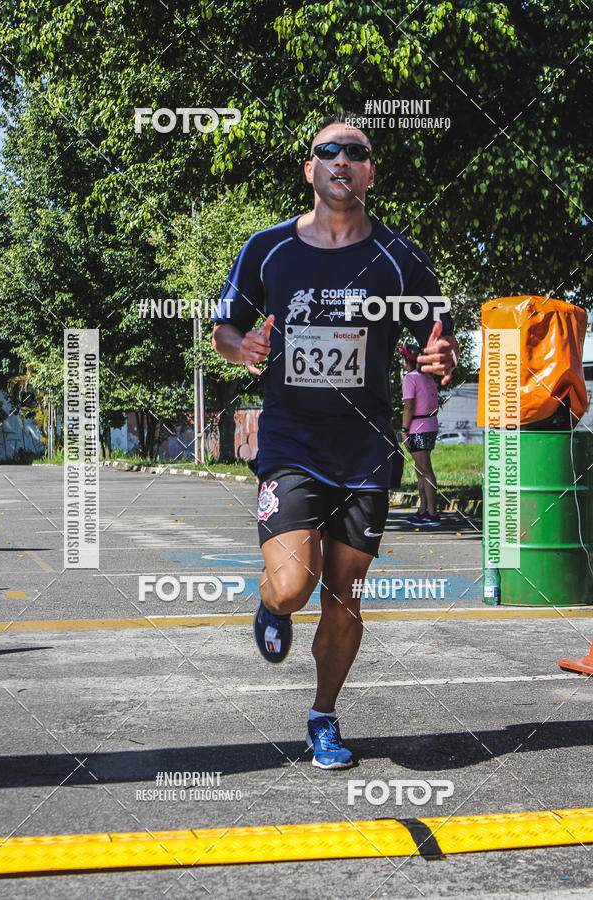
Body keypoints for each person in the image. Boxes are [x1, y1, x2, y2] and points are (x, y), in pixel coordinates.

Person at [212, 113, 458, 769]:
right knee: (294, 585)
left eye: (356, 151)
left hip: (368, 449)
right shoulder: (268, 249)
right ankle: (271, 606)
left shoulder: (400, 258)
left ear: (371, 171)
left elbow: (438, 335)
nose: (342, 160)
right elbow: (225, 331)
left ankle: (323, 716)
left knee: (345, 594)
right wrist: (244, 348)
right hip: (292, 442)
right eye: (329, 150)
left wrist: (440, 356)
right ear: (310, 169)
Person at [399, 343, 441, 526]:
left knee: (426, 471)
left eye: (403, 358)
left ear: (407, 361)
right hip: (430, 425)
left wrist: (404, 430)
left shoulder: (410, 378)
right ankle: (423, 509)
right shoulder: (428, 377)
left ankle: (432, 513)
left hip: (418, 427)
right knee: (420, 471)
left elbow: (408, 406)